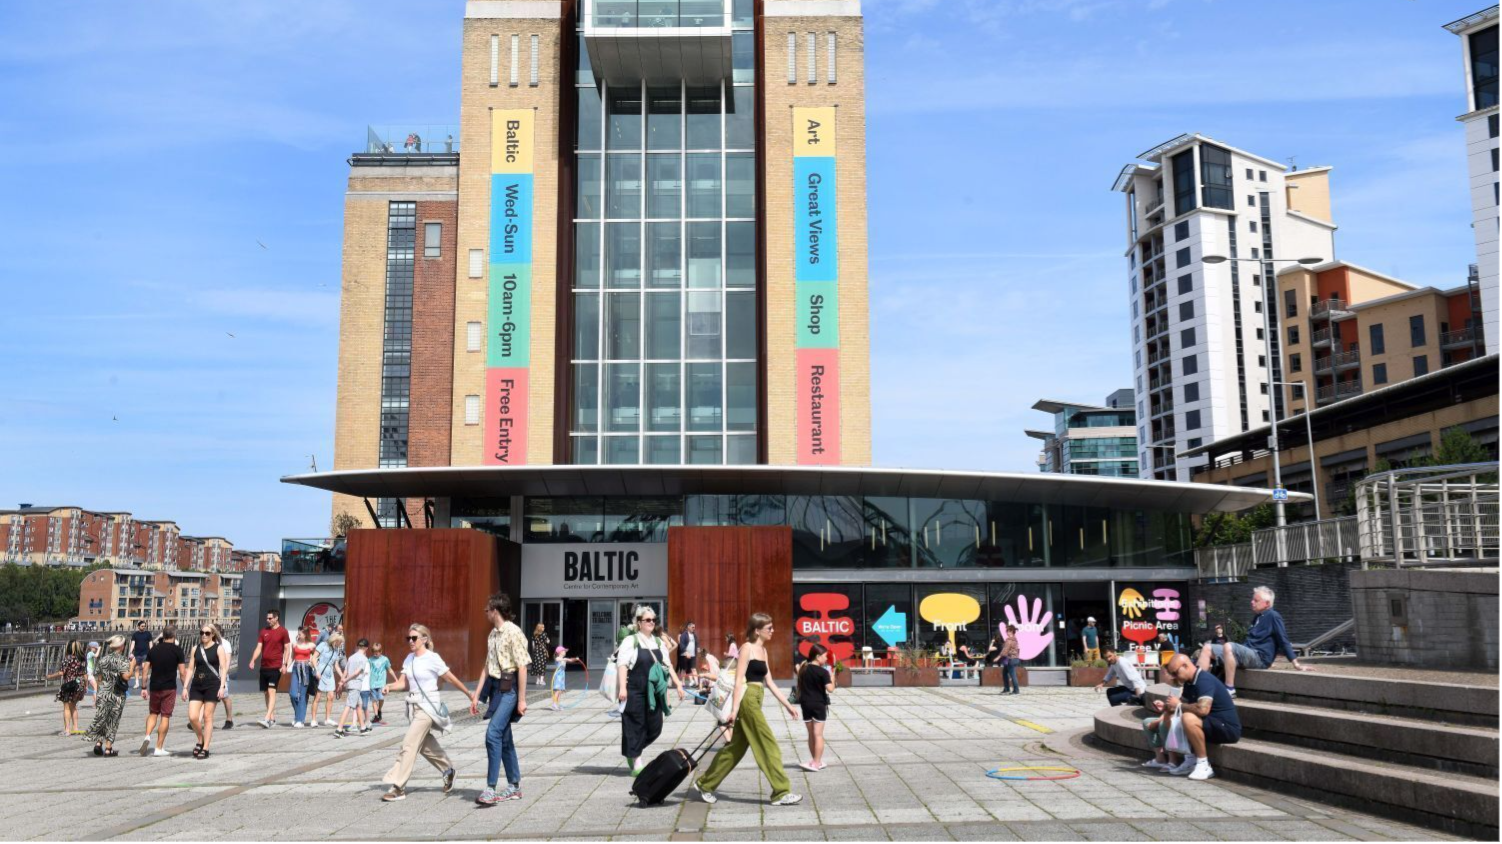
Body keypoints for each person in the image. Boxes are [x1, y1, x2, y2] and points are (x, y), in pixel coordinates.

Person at [692, 613, 801, 806]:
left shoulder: (763, 651)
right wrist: (734, 710)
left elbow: (770, 682)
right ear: (757, 630)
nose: (773, 631)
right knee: (767, 744)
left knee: (735, 748)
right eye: (769, 628)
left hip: (757, 698)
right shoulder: (747, 648)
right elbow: (738, 681)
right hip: (747, 699)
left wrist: (788, 705)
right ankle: (781, 791)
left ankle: (704, 784)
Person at [380, 624, 480, 803]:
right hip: (413, 708)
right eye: (408, 638)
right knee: (424, 745)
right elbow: (403, 683)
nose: (410, 641)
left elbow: (450, 678)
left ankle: (398, 786)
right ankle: (448, 770)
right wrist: (389, 686)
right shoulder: (409, 658)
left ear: (424, 639)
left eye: (414, 638)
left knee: (409, 744)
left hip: (427, 708)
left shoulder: (432, 658)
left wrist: (468, 694)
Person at [1195, 585, 1312, 697]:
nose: (1252, 602)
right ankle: (1196, 685)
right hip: (1250, 653)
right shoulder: (1258, 617)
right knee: (1207, 648)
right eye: (1252, 599)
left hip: (1260, 657)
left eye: (1256, 600)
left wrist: (1296, 664)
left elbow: (1283, 639)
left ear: (1267, 603)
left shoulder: (1274, 616)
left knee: (1228, 646)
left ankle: (1229, 688)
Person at [615, 604, 686, 775]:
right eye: (647, 620)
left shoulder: (658, 642)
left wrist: (678, 684)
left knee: (655, 727)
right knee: (636, 724)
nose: (651, 622)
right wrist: (622, 688)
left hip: (653, 691)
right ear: (639, 622)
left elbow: (667, 664)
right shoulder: (631, 641)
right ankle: (637, 762)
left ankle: (633, 751)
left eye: (654, 620)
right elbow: (622, 664)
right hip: (635, 688)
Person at [475, 592, 529, 806]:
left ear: (495, 611)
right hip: (496, 690)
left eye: (487, 610)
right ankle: (514, 786)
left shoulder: (513, 632)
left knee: (493, 734)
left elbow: (522, 666)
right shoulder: (492, 635)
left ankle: (490, 788)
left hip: (510, 690)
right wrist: (476, 696)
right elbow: (487, 667)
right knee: (504, 739)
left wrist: (522, 700)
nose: (485, 613)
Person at [1162, 653, 1241, 780]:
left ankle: (1203, 764)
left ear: (1185, 666)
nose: (1174, 677)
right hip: (1211, 723)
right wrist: (1166, 707)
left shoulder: (1204, 680)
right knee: (1170, 717)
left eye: (1175, 673)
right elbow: (1182, 705)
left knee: (1188, 718)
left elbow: (1203, 710)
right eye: (1172, 674)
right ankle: (1190, 759)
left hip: (1227, 728)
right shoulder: (1189, 682)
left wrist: (1178, 705)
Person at [138, 626, 188, 757]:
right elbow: (182, 672)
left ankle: (147, 735)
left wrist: (143, 687)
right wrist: (185, 687)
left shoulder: (153, 650)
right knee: (165, 716)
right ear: (174, 635)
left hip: (155, 687)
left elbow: (145, 669)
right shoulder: (178, 650)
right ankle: (158, 748)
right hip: (169, 688)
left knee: (153, 713)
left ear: (163, 635)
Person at [185, 624, 230, 759]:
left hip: (212, 685)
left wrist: (222, 686)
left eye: (207, 633)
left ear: (213, 635)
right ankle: (201, 739)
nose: (204, 635)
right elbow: (190, 668)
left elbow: (223, 668)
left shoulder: (218, 648)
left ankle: (205, 748)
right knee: (193, 717)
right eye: (202, 633)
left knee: (207, 716)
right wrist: (185, 687)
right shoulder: (195, 649)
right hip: (197, 684)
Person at [82, 635, 132, 756]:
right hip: (117, 694)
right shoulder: (123, 660)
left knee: (103, 718)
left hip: (103, 692)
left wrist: (99, 692)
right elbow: (126, 677)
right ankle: (108, 748)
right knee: (113, 720)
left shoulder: (103, 659)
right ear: (121, 646)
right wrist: (133, 664)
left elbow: (99, 678)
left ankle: (99, 743)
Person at [245, 610, 291, 728]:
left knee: (271, 691)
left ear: (276, 618)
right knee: (266, 692)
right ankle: (272, 718)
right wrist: (253, 660)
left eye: (270, 618)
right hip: (264, 666)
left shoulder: (283, 631)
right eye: (267, 618)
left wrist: (285, 664)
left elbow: (287, 649)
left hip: (276, 667)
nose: (268, 620)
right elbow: (259, 647)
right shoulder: (264, 631)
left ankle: (266, 718)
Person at [796, 643, 834, 772]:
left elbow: (798, 671)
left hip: (805, 703)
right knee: (818, 735)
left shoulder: (803, 668)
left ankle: (815, 761)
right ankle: (817, 763)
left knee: (811, 734)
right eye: (825, 656)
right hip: (818, 704)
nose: (826, 659)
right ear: (818, 656)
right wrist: (833, 676)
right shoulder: (823, 672)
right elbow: (830, 689)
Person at [1140, 672, 1185, 771]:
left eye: (1164, 672)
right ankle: (1160, 759)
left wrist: (1158, 721)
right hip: (1172, 716)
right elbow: (1169, 709)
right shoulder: (1174, 688)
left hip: (1182, 719)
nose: (1162, 674)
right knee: (1147, 722)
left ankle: (1173, 761)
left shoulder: (1180, 688)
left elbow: (1175, 711)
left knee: (1162, 724)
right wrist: (1163, 706)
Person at [47, 640, 87, 736]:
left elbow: (62, 672)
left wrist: (50, 676)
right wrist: (86, 686)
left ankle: (67, 730)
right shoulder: (82, 659)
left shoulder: (67, 658)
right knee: (74, 707)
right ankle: (75, 728)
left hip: (69, 684)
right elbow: (85, 674)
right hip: (80, 684)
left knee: (67, 708)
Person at [334, 638, 371, 738]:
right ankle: (339, 729)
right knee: (348, 706)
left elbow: (345, 671)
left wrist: (341, 682)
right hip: (356, 684)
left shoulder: (351, 657)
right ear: (366, 648)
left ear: (358, 646)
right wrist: (344, 681)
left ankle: (363, 728)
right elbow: (356, 673)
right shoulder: (364, 659)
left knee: (358, 705)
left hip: (350, 685)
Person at [312, 632, 346, 727]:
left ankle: (328, 719)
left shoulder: (336, 650)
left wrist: (343, 676)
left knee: (331, 696)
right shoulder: (323, 645)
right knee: (317, 697)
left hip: (330, 674)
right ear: (335, 640)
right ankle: (313, 719)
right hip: (320, 673)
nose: (340, 644)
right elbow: (314, 658)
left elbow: (336, 665)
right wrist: (316, 670)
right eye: (339, 642)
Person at [285, 626, 316, 728]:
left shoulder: (311, 645)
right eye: (298, 633)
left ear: (305, 634)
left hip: (306, 669)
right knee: (293, 694)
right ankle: (297, 715)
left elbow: (315, 657)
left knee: (302, 695)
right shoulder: (294, 644)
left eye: (300, 633)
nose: (298, 635)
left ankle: (300, 720)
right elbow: (292, 657)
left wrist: (314, 666)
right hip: (296, 668)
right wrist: (286, 667)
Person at [212, 624, 235, 730]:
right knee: (209, 698)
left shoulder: (225, 643)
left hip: (222, 674)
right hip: (211, 675)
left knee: (224, 698)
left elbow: (228, 661)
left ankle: (229, 719)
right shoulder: (209, 643)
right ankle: (202, 720)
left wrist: (224, 674)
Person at [549, 646, 583, 711]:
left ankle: (557, 704)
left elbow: (570, 660)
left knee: (560, 691)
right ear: (560, 652)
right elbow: (557, 660)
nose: (565, 652)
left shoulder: (564, 658)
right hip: (558, 676)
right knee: (557, 690)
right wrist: (564, 659)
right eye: (564, 651)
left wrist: (576, 659)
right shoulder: (558, 658)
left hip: (562, 676)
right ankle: (554, 704)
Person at [368, 642, 392, 725]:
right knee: (374, 700)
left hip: (381, 683)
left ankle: (379, 710)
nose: (376, 653)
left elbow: (389, 669)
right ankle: (376, 715)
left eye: (377, 652)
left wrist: (396, 679)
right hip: (372, 683)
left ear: (381, 651)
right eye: (374, 652)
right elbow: (368, 671)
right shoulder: (370, 660)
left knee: (381, 698)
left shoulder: (385, 659)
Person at [130, 622, 153, 691]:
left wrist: (152, 652)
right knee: (136, 668)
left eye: (144, 626)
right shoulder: (135, 634)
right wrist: (130, 652)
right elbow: (133, 644)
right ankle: (137, 683)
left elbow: (150, 643)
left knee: (144, 668)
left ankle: (144, 683)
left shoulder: (148, 634)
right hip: (137, 654)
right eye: (142, 626)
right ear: (138, 626)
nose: (143, 627)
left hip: (146, 653)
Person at [999, 625, 1021, 695]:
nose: (1007, 632)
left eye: (1008, 631)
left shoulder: (1009, 640)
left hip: (1011, 659)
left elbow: (1005, 650)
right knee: (1005, 673)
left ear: (1011, 631)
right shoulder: (1015, 639)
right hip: (1015, 659)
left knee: (1013, 675)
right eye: (1007, 631)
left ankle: (1016, 690)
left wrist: (998, 657)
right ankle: (1007, 689)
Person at [529, 623, 550, 688]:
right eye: (543, 627)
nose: (544, 628)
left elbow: (533, 644)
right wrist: (548, 640)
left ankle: (537, 680)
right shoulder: (544, 634)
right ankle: (541, 680)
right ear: (540, 628)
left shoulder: (534, 635)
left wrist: (534, 651)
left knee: (537, 665)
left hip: (536, 651)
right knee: (542, 665)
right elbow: (547, 641)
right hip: (542, 651)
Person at [84, 641, 100, 707]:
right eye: (96, 648)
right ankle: (96, 702)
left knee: (93, 687)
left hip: (90, 673)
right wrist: (99, 649)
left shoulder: (90, 653)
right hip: (89, 673)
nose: (96, 649)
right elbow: (96, 655)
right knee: (95, 687)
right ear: (92, 647)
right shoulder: (90, 653)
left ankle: (95, 702)